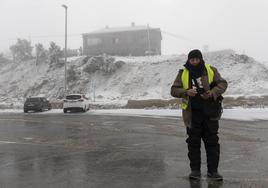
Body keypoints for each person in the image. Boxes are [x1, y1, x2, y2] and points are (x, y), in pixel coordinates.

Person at [170, 49, 228, 181]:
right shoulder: (183, 73)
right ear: (189, 60)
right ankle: (195, 171)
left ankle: (213, 171)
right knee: (193, 143)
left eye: (196, 59)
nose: (194, 61)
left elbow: (223, 84)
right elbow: (173, 90)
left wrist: (213, 92)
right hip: (192, 114)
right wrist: (185, 92)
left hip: (210, 114)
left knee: (212, 143)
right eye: (192, 59)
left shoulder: (211, 70)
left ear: (200, 59)